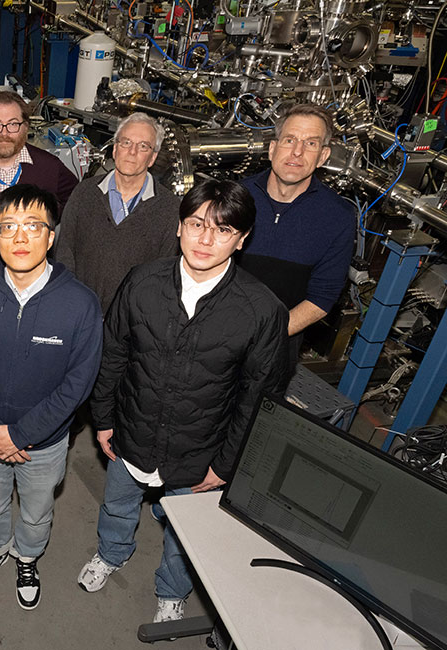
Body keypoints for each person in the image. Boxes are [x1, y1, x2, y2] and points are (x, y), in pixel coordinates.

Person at [76, 179, 288, 625]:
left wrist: (225, 465)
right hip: (133, 430)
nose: (206, 240)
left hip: (200, 451)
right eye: (196, 224)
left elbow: (257, 398)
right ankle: (111, 554)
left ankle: (172, 591)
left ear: (243, 238)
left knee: (183, 535)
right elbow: (112, 353)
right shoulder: (141, 281)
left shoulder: (261, 311)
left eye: (223, 230)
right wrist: (104, 418)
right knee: (117, 505)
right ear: (179, 227)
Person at [0, 185, 102, 610]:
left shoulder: (81, 304)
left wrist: (22, 434)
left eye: (33, 227)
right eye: (8, 227)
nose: (20, 238)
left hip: (45, 443)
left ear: (51, 236)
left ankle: (27, 557)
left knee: (36, 512)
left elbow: (78, 383)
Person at [239, 103, 355, 373]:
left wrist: (267, 336)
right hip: (214, 338)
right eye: (289, 140)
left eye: (310, 143)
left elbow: (322, 298)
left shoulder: (338, 216)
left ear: (323, 156)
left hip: (276, 347)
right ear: (272, 148)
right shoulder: (236, 197)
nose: (297, 152)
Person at [55, 112, 180, 315]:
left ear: (152, 158)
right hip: (80, 312)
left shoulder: (169, 208)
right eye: (126, 142)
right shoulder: (85, 193)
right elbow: (65, 254)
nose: (132, 152)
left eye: (143, 146)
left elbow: (163, 277)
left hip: (131, 323)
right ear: (115, 149)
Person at [0, 91, 79, 215]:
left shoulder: (50, 167)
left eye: (13, 124)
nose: (4, 133)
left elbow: (77, 201)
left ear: (26, 127)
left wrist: (44, 222)